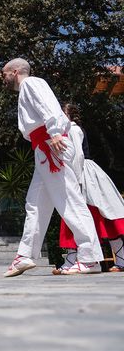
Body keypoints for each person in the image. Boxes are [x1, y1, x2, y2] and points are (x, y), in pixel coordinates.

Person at [1, 58, 103, 277]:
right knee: (35, 203)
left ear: (15, 71)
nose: (3, 78)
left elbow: (48, 105)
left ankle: (89, 258)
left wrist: (55, 132)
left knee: (68, 198)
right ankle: (25, 255)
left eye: (4, 73)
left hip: (50, 145)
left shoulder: (31, 83)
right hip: (44, 147)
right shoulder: (27, 88)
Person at [53, 103, 124, 274]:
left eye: (61, 112)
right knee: (96, 215)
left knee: (92, 215)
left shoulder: (73, 129)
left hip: (84, 176)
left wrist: (75, 182)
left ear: (68, 115)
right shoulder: (69, 129)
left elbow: (78, 156)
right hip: (84, 174)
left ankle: (77, 261)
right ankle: (74, 260)